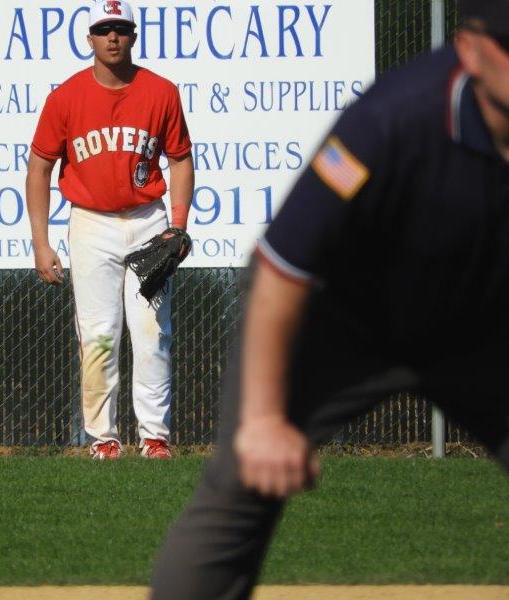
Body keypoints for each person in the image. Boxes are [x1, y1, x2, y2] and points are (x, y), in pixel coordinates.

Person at [151, 0, 509, 595]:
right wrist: (263, 421)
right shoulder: (392, 120)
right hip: (345, 326)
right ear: (470, 49)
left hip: (476, 329)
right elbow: (282, 266)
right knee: (242, 479)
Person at [25, 0, 195, 460]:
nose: (113, 37)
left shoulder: (161, 92)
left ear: (134, 36)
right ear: (90, 39)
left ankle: (154, 436)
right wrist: (41, 244)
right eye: (104, 29)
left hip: (147, 222)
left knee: (151, 332)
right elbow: (39, 169)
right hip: (91, 223)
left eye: (121, 28)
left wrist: (176, 226)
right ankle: (104, 439)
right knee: (98, 334)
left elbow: (180, 159)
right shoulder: (66, 97)